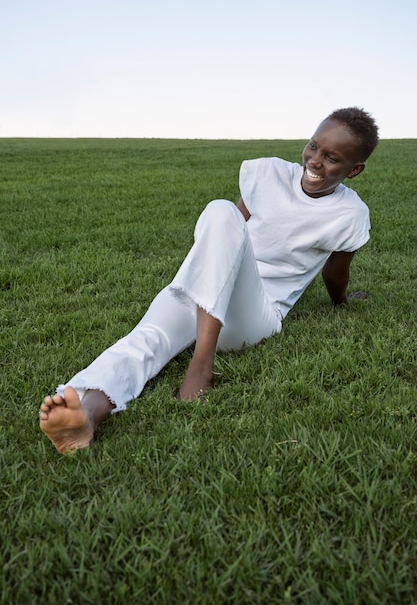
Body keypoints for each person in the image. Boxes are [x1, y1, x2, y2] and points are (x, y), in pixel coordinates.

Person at [39, 107, 379, 454]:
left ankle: (201, 365)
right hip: (205, 285)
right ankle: (88, 417)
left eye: (332, 157)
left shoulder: (350, 214)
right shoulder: (270, 173)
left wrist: (342, 302)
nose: (315, 160)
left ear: (354, 170)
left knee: (220, 212)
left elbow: (334, 273)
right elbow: (227, 231)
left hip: (252, 315)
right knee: (149, 333)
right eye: (313, 146)